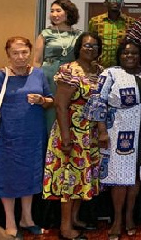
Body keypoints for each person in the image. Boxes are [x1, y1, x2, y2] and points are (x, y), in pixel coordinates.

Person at [84, 40, 141, 240]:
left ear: (140, 55)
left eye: (134, 53)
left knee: (135, 176)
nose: (130, 56)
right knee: (119, 178)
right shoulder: (110, 74)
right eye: (125, 53)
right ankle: (117, 220)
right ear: (119, 55)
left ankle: (129, 216)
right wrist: (101, 131)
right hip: (119, 133)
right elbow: (97, 102)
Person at [0, 36, 54, 238]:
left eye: (24, 52)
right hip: (8, 136)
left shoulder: (39, 74)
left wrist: (42, 99)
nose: (20, 57)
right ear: (8, 54)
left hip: (33, 134)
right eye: (15, 53)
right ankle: (10, 222)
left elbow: (50, 99)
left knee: (31, 175)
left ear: (30, 52)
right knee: (8, 176)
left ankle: (27, 218)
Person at [43, 32, 104, 240]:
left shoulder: (98, 71)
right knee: (69, 178)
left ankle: (75, 218)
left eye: (95, 46)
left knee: (81, 176)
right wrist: (66, 138)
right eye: (87, 46)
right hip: (70, 130)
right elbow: (60, 106)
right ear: (78, 47)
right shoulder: (69, 70)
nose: (91, 49)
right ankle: (65, 227)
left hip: (90, 132)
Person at [33, 0, 81, 133]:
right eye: (52, 11)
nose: (54, 14)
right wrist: (35, 83)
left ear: (68, 13)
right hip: (48, 75)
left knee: (68, 109)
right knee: (50, 109)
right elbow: (37, 61)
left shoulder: (79, 35)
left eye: (58, 10)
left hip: (70, 77)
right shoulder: (45, 33)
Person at [88, 0, 136, 68]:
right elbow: (91, 45)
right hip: (100, 67)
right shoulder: (95, 21)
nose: (115, 2)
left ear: (122, 2)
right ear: (105, 3)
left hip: (123, 68)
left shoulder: (131, 22)